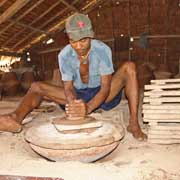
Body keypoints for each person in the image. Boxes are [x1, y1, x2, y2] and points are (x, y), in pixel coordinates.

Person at [0, 13, 147, 140]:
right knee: (36, 86)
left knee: (129, 67)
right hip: (78, 94)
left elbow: (105, 88)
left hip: (104, 95)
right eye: (73, 41)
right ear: (68, 39)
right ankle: (15, 118)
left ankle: (133, 123)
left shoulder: (102, 50)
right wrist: (73, 105)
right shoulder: (64, 55)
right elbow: (68, 87)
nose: (79, 46)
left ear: (91, 35)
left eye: (83, 40)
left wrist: (87, 109)